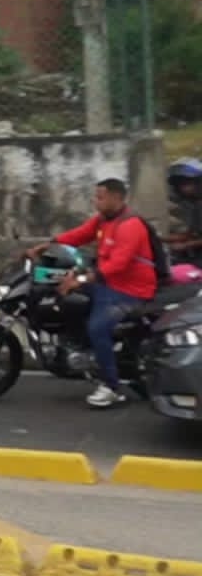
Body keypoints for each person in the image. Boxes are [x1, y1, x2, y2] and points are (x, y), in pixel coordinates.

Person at [28, 178, 159, 409]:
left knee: (98, 327)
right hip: (107, 283)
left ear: (117, 198)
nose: (95, 201)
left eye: (101, 197)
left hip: (129, 290)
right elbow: (80, 234)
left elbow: (118, 264)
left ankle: (112, 387)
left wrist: (80, 279)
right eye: (95, 196)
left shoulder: (130, 225)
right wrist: (49, 244)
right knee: (60, 290)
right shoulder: (103, 221)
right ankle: (76, 346)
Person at [165, 158, 202, 266]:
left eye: (187, 183)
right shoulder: (194, 206)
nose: (184, 189)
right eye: (180, 185)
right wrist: (159, 238)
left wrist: (186, 245)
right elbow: (189, 233)